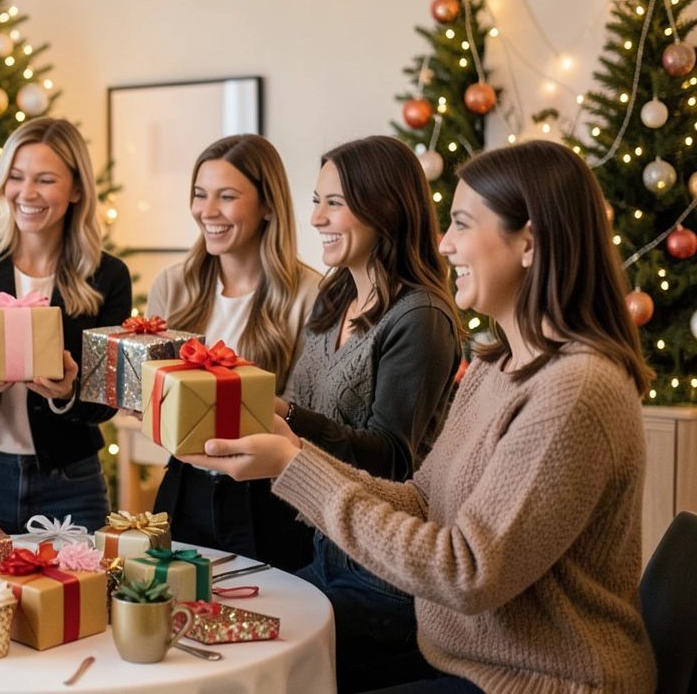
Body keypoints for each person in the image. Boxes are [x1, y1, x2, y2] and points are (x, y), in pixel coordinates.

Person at [187, 140, 657, 693]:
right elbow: (421, 498)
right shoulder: (497, 365)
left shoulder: (574, 389)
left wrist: (294, 467)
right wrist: (292, 453)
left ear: (529, 241)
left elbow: (466, 571)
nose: (445, 243)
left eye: (461, 224)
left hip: (544, 681)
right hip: (461, 658)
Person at [279, 135, 463, 690]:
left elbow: (391, 460)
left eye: (334, 203)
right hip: (324, 547)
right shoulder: (332, 296)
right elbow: (300, 408)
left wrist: (284, 415)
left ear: (385, 207)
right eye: (316, 200)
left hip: (381, 577)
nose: (315, 218)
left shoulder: (421, 316)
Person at [0, 116, 131, 534]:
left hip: (71, 484)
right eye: (17, 177)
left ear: (77, 189)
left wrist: (68, 394)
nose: (27, 193)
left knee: (81, 599)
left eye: (45, 180)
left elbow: (104, 404)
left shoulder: (108, 276)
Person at [147, 134, 322, 570]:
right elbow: (152, 394)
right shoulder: (172, 286)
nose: (208, 211)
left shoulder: (310, 295)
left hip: (270, 497)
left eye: (227, 196)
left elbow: (312, 413)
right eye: (200, 195)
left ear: (267, 206)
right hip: (185, 487)